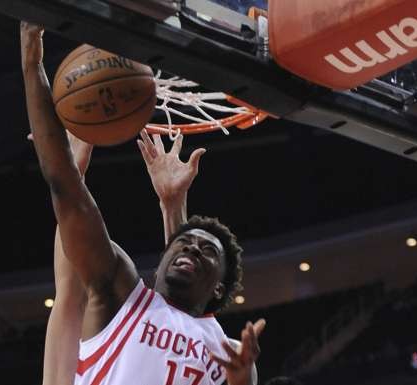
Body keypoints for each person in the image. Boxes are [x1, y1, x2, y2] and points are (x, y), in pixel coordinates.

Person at [21, 21, 265, 385]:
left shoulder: (227, 352)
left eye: (207, 251)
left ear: (219, 287)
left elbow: (182, 301)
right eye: (185, 243)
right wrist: (31, 61)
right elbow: (66, 190)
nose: (193, 249)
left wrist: (242, 381)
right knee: (70, 290)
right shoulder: (123, 294)